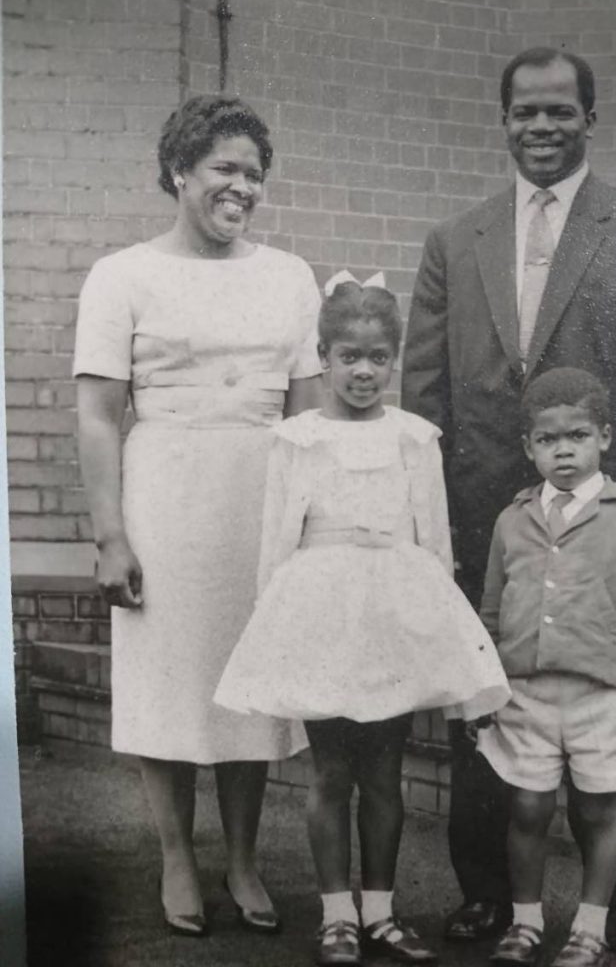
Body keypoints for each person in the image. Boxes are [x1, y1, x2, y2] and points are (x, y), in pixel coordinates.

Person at [401, 47, 616, 951]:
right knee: (486, 711)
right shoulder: (455, 241)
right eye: (525, 112)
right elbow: (425, 397)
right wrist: (429, 531)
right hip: (487, 529)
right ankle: (492, 892)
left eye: (559, 112)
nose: (541, 127)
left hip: (611, 522)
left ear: (589, 118)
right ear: (502, 121)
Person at [74, 95, 324, 938]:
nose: (242, 188)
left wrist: (313, 525)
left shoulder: (289, 275)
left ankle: (245, 859)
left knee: (249, 685)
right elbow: (100, 415)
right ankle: (178, 855)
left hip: (260, 498)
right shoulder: (122, 275)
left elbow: (310, 412)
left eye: (254, 174)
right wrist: (111, 534)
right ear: (179, 172)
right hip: (165, 496)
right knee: (171, 683)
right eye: (225, 169)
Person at [215, 273, 511, 966]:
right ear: (323, 356)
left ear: (395, 360)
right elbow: (276, 543)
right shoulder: (296, 439)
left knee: (383, 771)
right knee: (329, 773)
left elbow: (434, 543)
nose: (364, 371)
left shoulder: (415, 437)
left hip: (394, 612)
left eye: (378, 357)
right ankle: (335, 914)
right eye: (349, 356)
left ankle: (380, 909)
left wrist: (440, 629)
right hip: (319, 611)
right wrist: (274, 625)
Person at [477, 368, 616, 967]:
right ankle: (525, 921)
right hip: (526, 696)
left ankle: (591, 926)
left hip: (604, 696)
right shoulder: (512, 520)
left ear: (606, 438)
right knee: (528, 808)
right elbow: (490, 613)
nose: (563, 450)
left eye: (579, 435)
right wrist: (483, 690)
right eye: (547, 439)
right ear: (527, 448)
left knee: (599, 809)